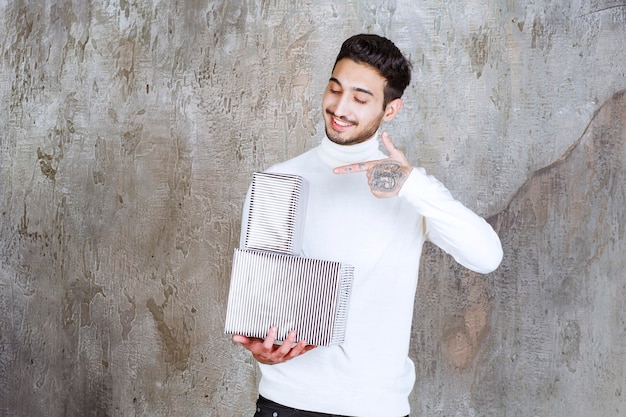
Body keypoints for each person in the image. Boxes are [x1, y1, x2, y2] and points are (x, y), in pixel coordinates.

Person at [232, 34, 503, 417]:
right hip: (286, 404)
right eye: (334, 89)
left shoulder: (412, 191)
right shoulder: (279, 180)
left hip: (377, 409)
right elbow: (260, 301)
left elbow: (487, 256)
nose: (340, 107)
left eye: (360, 99)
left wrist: (411, 184)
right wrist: (260, 347)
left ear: (390, 110)